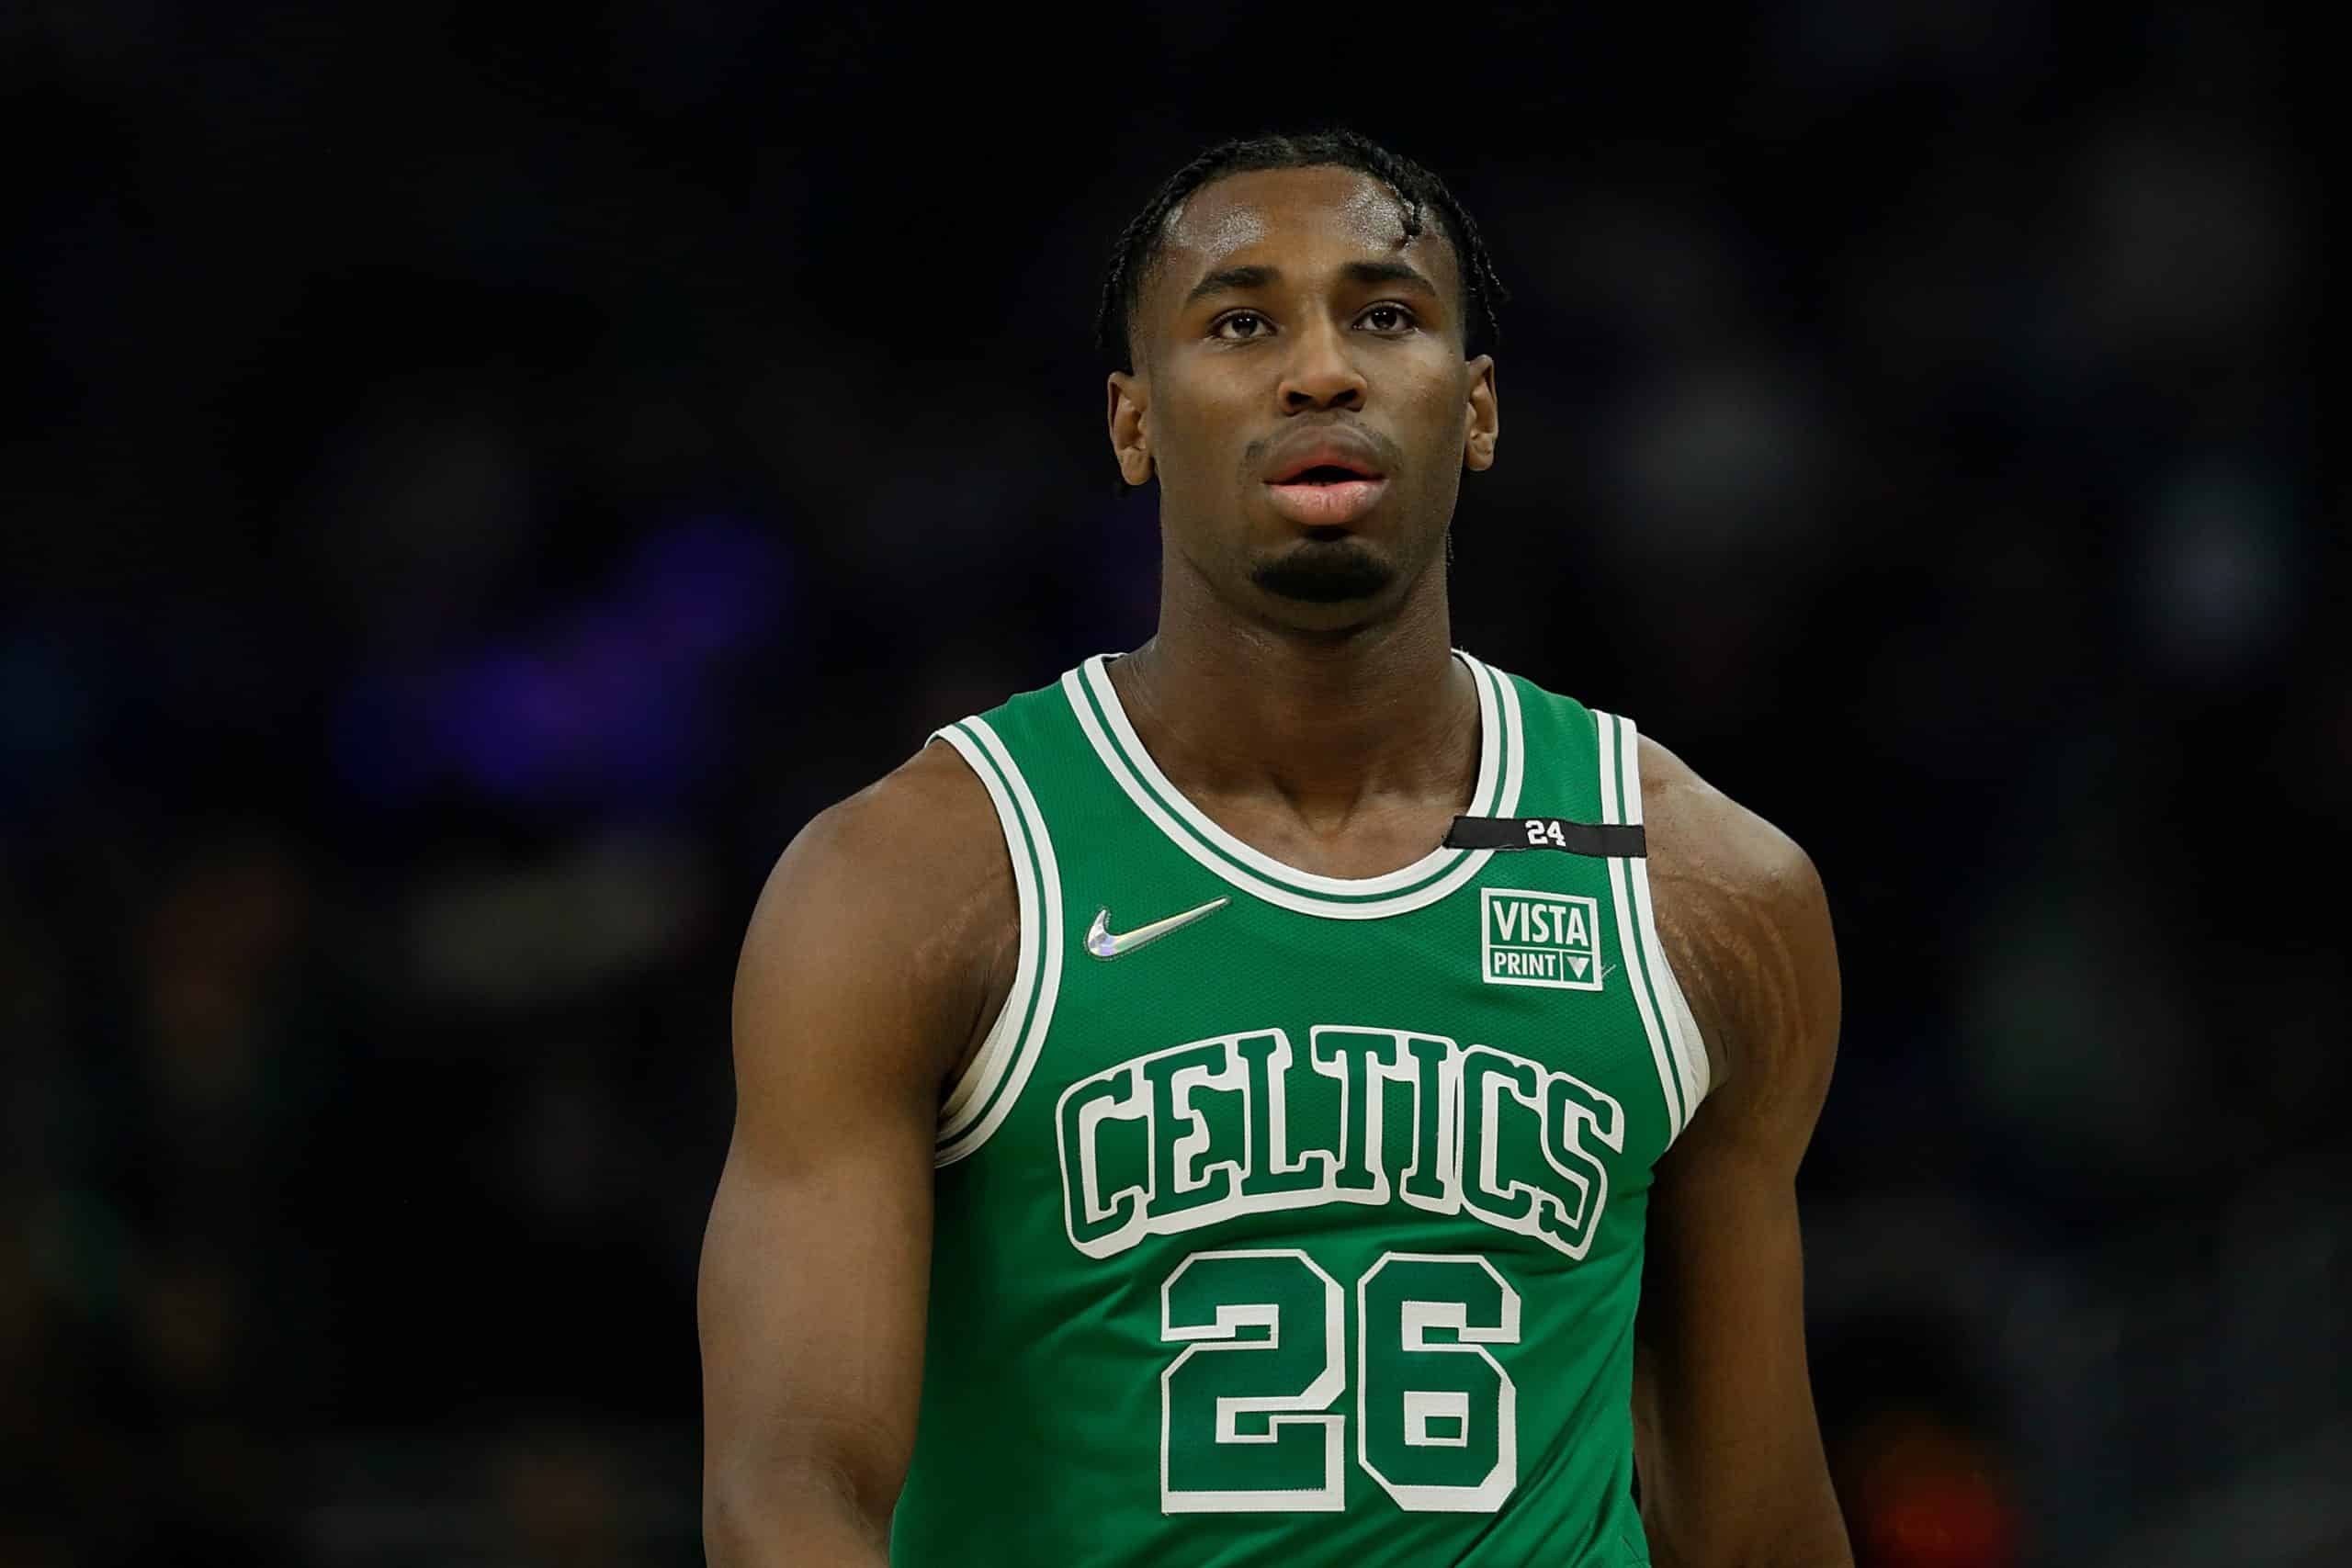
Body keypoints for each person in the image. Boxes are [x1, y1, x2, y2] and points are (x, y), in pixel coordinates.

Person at [699, 129, 1851, 1567]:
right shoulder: (916, 882)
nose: (1321, 371)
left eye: (1386, 315)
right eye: (1241, 322)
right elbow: (786, 1494)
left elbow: (1755, 1532)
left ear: (1477, 409)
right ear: (1133, 423)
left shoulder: (1705, 891)